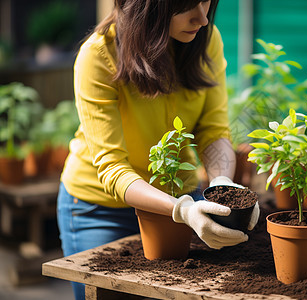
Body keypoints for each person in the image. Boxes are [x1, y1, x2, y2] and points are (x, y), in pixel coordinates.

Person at [56, 0, 260, 299]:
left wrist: (222, 185)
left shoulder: (207, 39)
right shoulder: (99, 54)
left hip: (181, 196)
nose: (202, 19)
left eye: (206, 1)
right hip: (100, 210)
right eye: (187, 5)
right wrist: (183, 210)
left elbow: (213, 130)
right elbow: (112, 168)